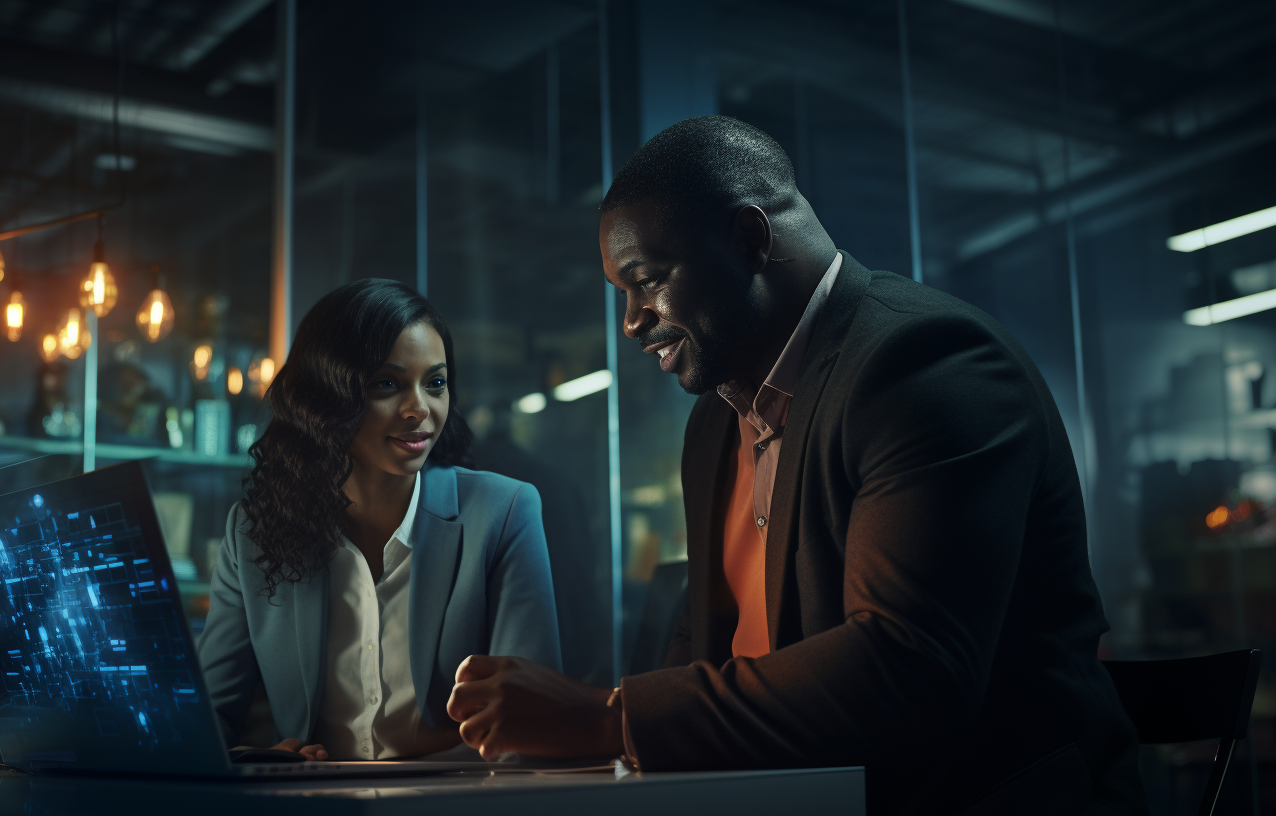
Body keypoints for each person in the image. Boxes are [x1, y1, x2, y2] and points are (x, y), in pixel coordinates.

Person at [444, 117, 1146, 815]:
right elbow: (704, 644)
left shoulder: (928, 368)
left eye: (647, 280)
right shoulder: (716, 420)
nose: (631, 320)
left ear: (749, 239)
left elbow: (909, 671)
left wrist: (608, 717)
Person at [198, 278, 561, 761]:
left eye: (435, 383)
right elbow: (205, 721)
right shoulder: (253, 532)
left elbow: (531, 723)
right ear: (325, 397)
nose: (420, 409)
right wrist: (260, 760)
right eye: (387, 384)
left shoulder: (503, 511)